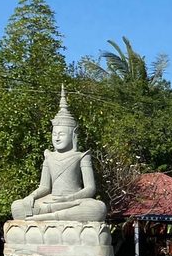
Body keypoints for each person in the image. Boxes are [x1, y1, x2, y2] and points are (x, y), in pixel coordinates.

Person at [11, 87, 107, 222]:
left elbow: (90, 188)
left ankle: (47, 218)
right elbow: (44, 187)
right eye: (54, 134)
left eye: (61, 134)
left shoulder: (81, 156)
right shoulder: (49, 156)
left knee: (97, 208)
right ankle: (48, 216)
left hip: (73, 201)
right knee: (17, 206)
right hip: (50, 201)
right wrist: (31, 196)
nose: (57, 138)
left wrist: (68, 198)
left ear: (73, 134)